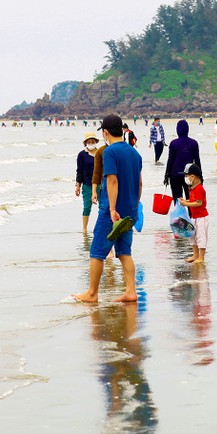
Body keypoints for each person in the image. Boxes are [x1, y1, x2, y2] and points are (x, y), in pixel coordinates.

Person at [75, 115, 143, 303]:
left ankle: (92, 294)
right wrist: (135, 205)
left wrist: (112, 209)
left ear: (105, 132)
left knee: (97, 252)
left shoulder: (110, 152)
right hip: (130, 210)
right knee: (124, 252)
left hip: (111, 212)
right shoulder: (134, 153)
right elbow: (139, 183)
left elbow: (111, 179)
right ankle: (131, 291)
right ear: (122, 130)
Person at [164, 119, 201, 202]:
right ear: (187, 129)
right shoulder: (193, 143)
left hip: (175, 175)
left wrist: (167, 175)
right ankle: (190, 215)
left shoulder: (173, 143)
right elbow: (197, 161)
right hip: (190, 176)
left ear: (177, 130)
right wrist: (199, 176)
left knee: (177, 200)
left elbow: (170, 160)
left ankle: (180, 215)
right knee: (191, 200)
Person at [179, 163, 209, 264]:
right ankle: (195, 254)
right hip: (194, 217)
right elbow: (193, 200)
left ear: (193, 177)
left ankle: (201, 256)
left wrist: (186, 204)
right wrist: (186, 201)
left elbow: (198, 203)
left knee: (201, 237)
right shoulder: (192, 188)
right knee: (193, 236)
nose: (185, 178)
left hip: (201, 217)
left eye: (186, 176)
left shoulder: (199, 188)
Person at [76, 132, 99, 233]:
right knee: (86, 207)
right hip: (87, 185)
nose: (91, 143)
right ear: (85, 143)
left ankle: (101, 227)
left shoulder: (100, 153)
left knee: (103, 206)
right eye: (89, 142)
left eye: (92, 141)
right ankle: (84, 228)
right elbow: (79, 170)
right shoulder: (82, 155)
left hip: (100, 184)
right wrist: (78, 186)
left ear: (96, 142)